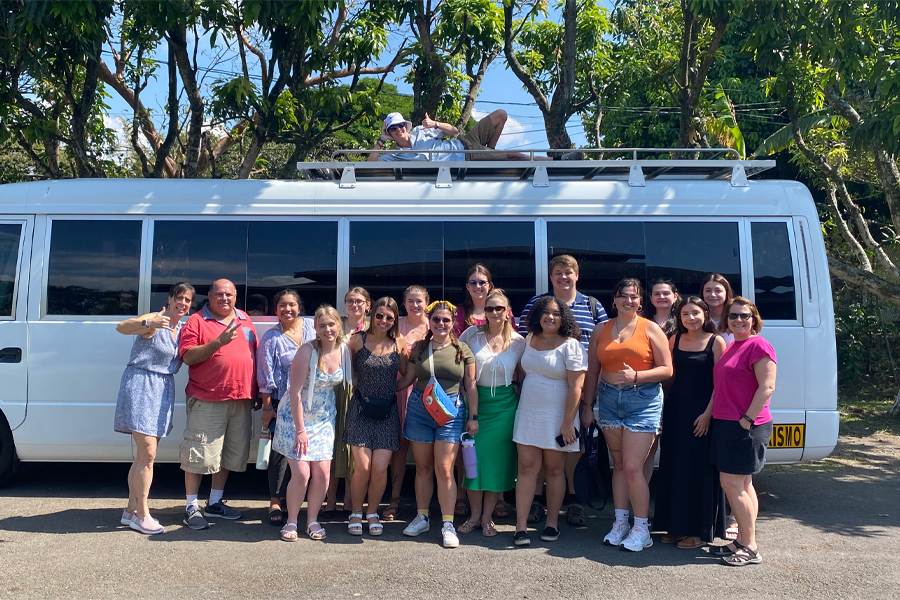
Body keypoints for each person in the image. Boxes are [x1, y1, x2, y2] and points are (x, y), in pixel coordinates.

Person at [582, 278, 673, 552]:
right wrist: (587, 405)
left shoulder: (651, 328)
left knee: (633, 467)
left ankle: (642, 528)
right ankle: (620, 522)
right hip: (609, 399)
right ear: (614, 299)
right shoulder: (602, 329)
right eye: (623, 296)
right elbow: (592, 372)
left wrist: (637, 376)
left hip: (642, 399)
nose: (628, 301)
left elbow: (667, 369)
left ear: (639, 301)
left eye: (633, 297)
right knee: (619, 466)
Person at [518, 254, 608, 527]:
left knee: (570, 450)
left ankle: (572, 500)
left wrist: (588, 400)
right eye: (558, 272)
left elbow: (603, 348)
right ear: (551, 276)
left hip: (579, 389)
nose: (563, 277)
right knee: (539, 455)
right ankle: (536, 500)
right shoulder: (537, 304)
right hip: (538, 396)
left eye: (568, 272)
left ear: (576, 275)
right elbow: (523, 347)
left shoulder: (593, 306)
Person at [114, 282, 195, 534]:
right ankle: (142, 514)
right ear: (170, 299)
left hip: (162, 390)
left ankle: (129, 510)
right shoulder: (155, 318)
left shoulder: (181, 329)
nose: (183, 303)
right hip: (141, 384)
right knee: (148, 454)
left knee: (143, 455)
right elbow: (122, 327)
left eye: (188, 300)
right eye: (179, 298)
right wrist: (148, 324)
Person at [396, 301, 478, 548]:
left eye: (446, 320)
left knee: (444, 468)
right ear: (429, 321)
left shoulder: (463, 349)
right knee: (422, 467)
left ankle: (448, 523)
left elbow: (471, 384)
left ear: (453, 322)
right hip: (420, 409)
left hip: (451, 411)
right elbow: (408, 378)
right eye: (436, 320)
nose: (441, 324)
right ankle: (422, 516)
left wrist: (473, 417)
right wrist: (382, 391)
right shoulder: (420, 347)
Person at [178, 279, 259, 530]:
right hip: (207, 398)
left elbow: (252, 356)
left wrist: (255, 392)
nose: (225, 298)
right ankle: (191, 507)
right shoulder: (196, 321)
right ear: (210, 296)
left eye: (229, 294)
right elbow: (188, 357)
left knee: (226, 455)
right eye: (219, 294)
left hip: (240, 399)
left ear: (236, 297)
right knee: (199, 454)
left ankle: (214, 503)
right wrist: (217, 343)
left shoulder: (244, 318)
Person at [653, 296, 727, 549]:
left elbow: (721, 384)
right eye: (685, 314)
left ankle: (697, 532)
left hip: (703, 415)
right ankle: (675, 526)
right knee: (674, 467)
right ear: (679, 318)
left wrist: (708, 414)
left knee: (698, 471)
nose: (691, 318)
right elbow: (669, 379)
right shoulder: (675, 340)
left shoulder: (716, 342)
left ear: (704, 314)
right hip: (676, 413)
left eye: (695, 313)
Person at [273, 305, 351, 541]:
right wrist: (300, 431)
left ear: (339, 325)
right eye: (322, 325)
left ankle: (312, 520)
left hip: (324, 419)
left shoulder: (344, 350)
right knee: (302, 473)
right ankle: (292, 521)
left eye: (331, 324)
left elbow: (353, 379)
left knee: (323, 473)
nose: (328, 329)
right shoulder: (307, 351)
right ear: (315, 328)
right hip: (296, 419)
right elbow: (294, 392)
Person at [512, 296, 586, 546]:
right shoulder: (529, 339)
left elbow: (577, 387)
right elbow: (523, 371)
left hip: (558, 417)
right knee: (526, 469)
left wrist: (568, 423)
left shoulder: (571, 345)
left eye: (555, 313)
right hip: (528, 414)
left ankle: (552, 523)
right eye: (545, 312)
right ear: (537, 316)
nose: (550, 317)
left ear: (563, 317)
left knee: (555, 470)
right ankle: (520, 527)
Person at [710, 297, 776, 566]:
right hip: (727, 423)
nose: (739, 320)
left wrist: (747, 420)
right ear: (727, 319)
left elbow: (767, 386)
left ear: (754, 319)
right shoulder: (732, 346)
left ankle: (750, 547)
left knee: (732, 484)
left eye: (744, 316)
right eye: (733, 315)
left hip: (747, 426)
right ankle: (742, 541)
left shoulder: (758, 345)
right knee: (744, 484)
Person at [458, 289, 526, 537]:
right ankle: (474, 517)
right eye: (490, 309)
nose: (495, 313)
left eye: (500, 308)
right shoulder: (470, 336)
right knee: (473, 464)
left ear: (508, 312)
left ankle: (487, 519)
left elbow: (524, 374)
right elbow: (463, 372)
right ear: (483, 312)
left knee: (496, 465)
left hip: (506, 408)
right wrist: (470, 412)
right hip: (477, 406)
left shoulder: (519, 342)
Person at [344, 297, 409, 536]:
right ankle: (355, 512)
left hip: (387, 412)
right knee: (362, 466)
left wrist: (396, 388)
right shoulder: (357, 340)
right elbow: (343, 366)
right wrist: (357, 382)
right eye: (380, 315)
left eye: (389, 317)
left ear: (395, 321)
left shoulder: (398, 342)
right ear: (372, 315)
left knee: (381, 468)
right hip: (360, 409)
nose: (383, 321)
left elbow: (408, 371)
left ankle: (372, 513)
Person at [256, 290, 316, 527]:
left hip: (314, 401)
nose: (287, 309)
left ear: (299, 307)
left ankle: (302, 501)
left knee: (308, 452)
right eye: (282, 305)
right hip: (283, 403)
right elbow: (265, 375)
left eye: (291, 305)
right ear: (276, 309)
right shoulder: (271, 338)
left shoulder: (312, 328)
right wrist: (268, 407)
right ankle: (274, 501)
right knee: (281, 453)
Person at [323, 287, 371, 518]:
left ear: (367, 305)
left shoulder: (372, 329)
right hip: (334, 390)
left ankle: (351, 504)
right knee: (332, 446)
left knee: (354, 449)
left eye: (359, 301)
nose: (354, 305)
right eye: (350, 301)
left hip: (359, 391)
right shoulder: (336, 326)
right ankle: (330, 502)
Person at [369, 111, 583, 162]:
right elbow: (369, 164)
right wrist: (380, 142)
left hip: (463, 142)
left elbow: (454, 131)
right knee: (513, 155)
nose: (399, 129)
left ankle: (490, 152)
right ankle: (557, 160)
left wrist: (434, 124)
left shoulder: (421, 130)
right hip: (466, 158)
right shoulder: (395, 156)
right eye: (393, 128)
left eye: (400, 125)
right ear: (389, 133)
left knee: (501, 115)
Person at [385, 285, 430, 521]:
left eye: (419, 301)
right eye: (410, 301)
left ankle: (426, 503)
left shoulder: (434, 326)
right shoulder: (396, 325)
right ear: (404, 303)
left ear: (426, 302)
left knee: (427, 450)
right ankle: (394, 499)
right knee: (399, 449)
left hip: (426, 392)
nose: (415, 305)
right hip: (400, 390)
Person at [701, 273, 735, 346]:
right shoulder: (698, 320)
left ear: (726, 293)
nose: (713, 294)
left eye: (718, 290)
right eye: (708, 290)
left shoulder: (736, 319)